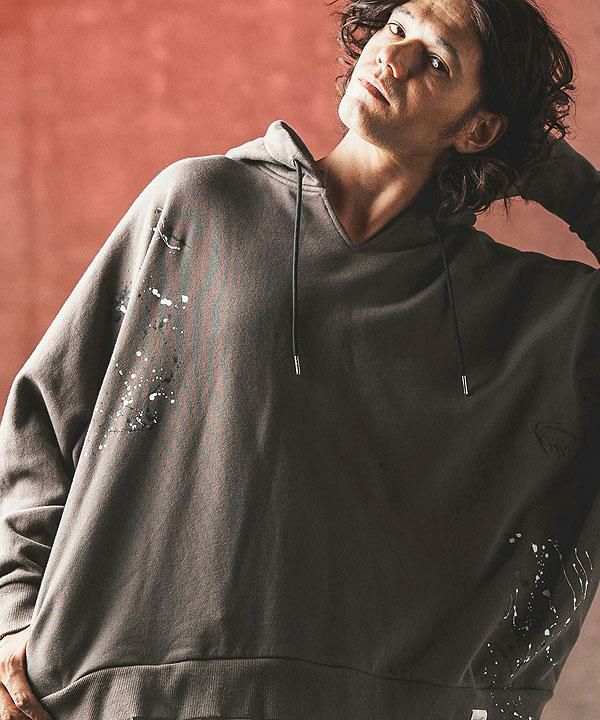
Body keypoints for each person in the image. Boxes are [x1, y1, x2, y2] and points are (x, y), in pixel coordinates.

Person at [1, 0, 599, 718]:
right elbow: (48, 414)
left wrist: (551, 170)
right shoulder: (203, 204)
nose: (393, 56)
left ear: (478, 128)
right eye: (397, 26)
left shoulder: (512, 307)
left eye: (437, 61)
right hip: (120, 696)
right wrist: (13, 613)